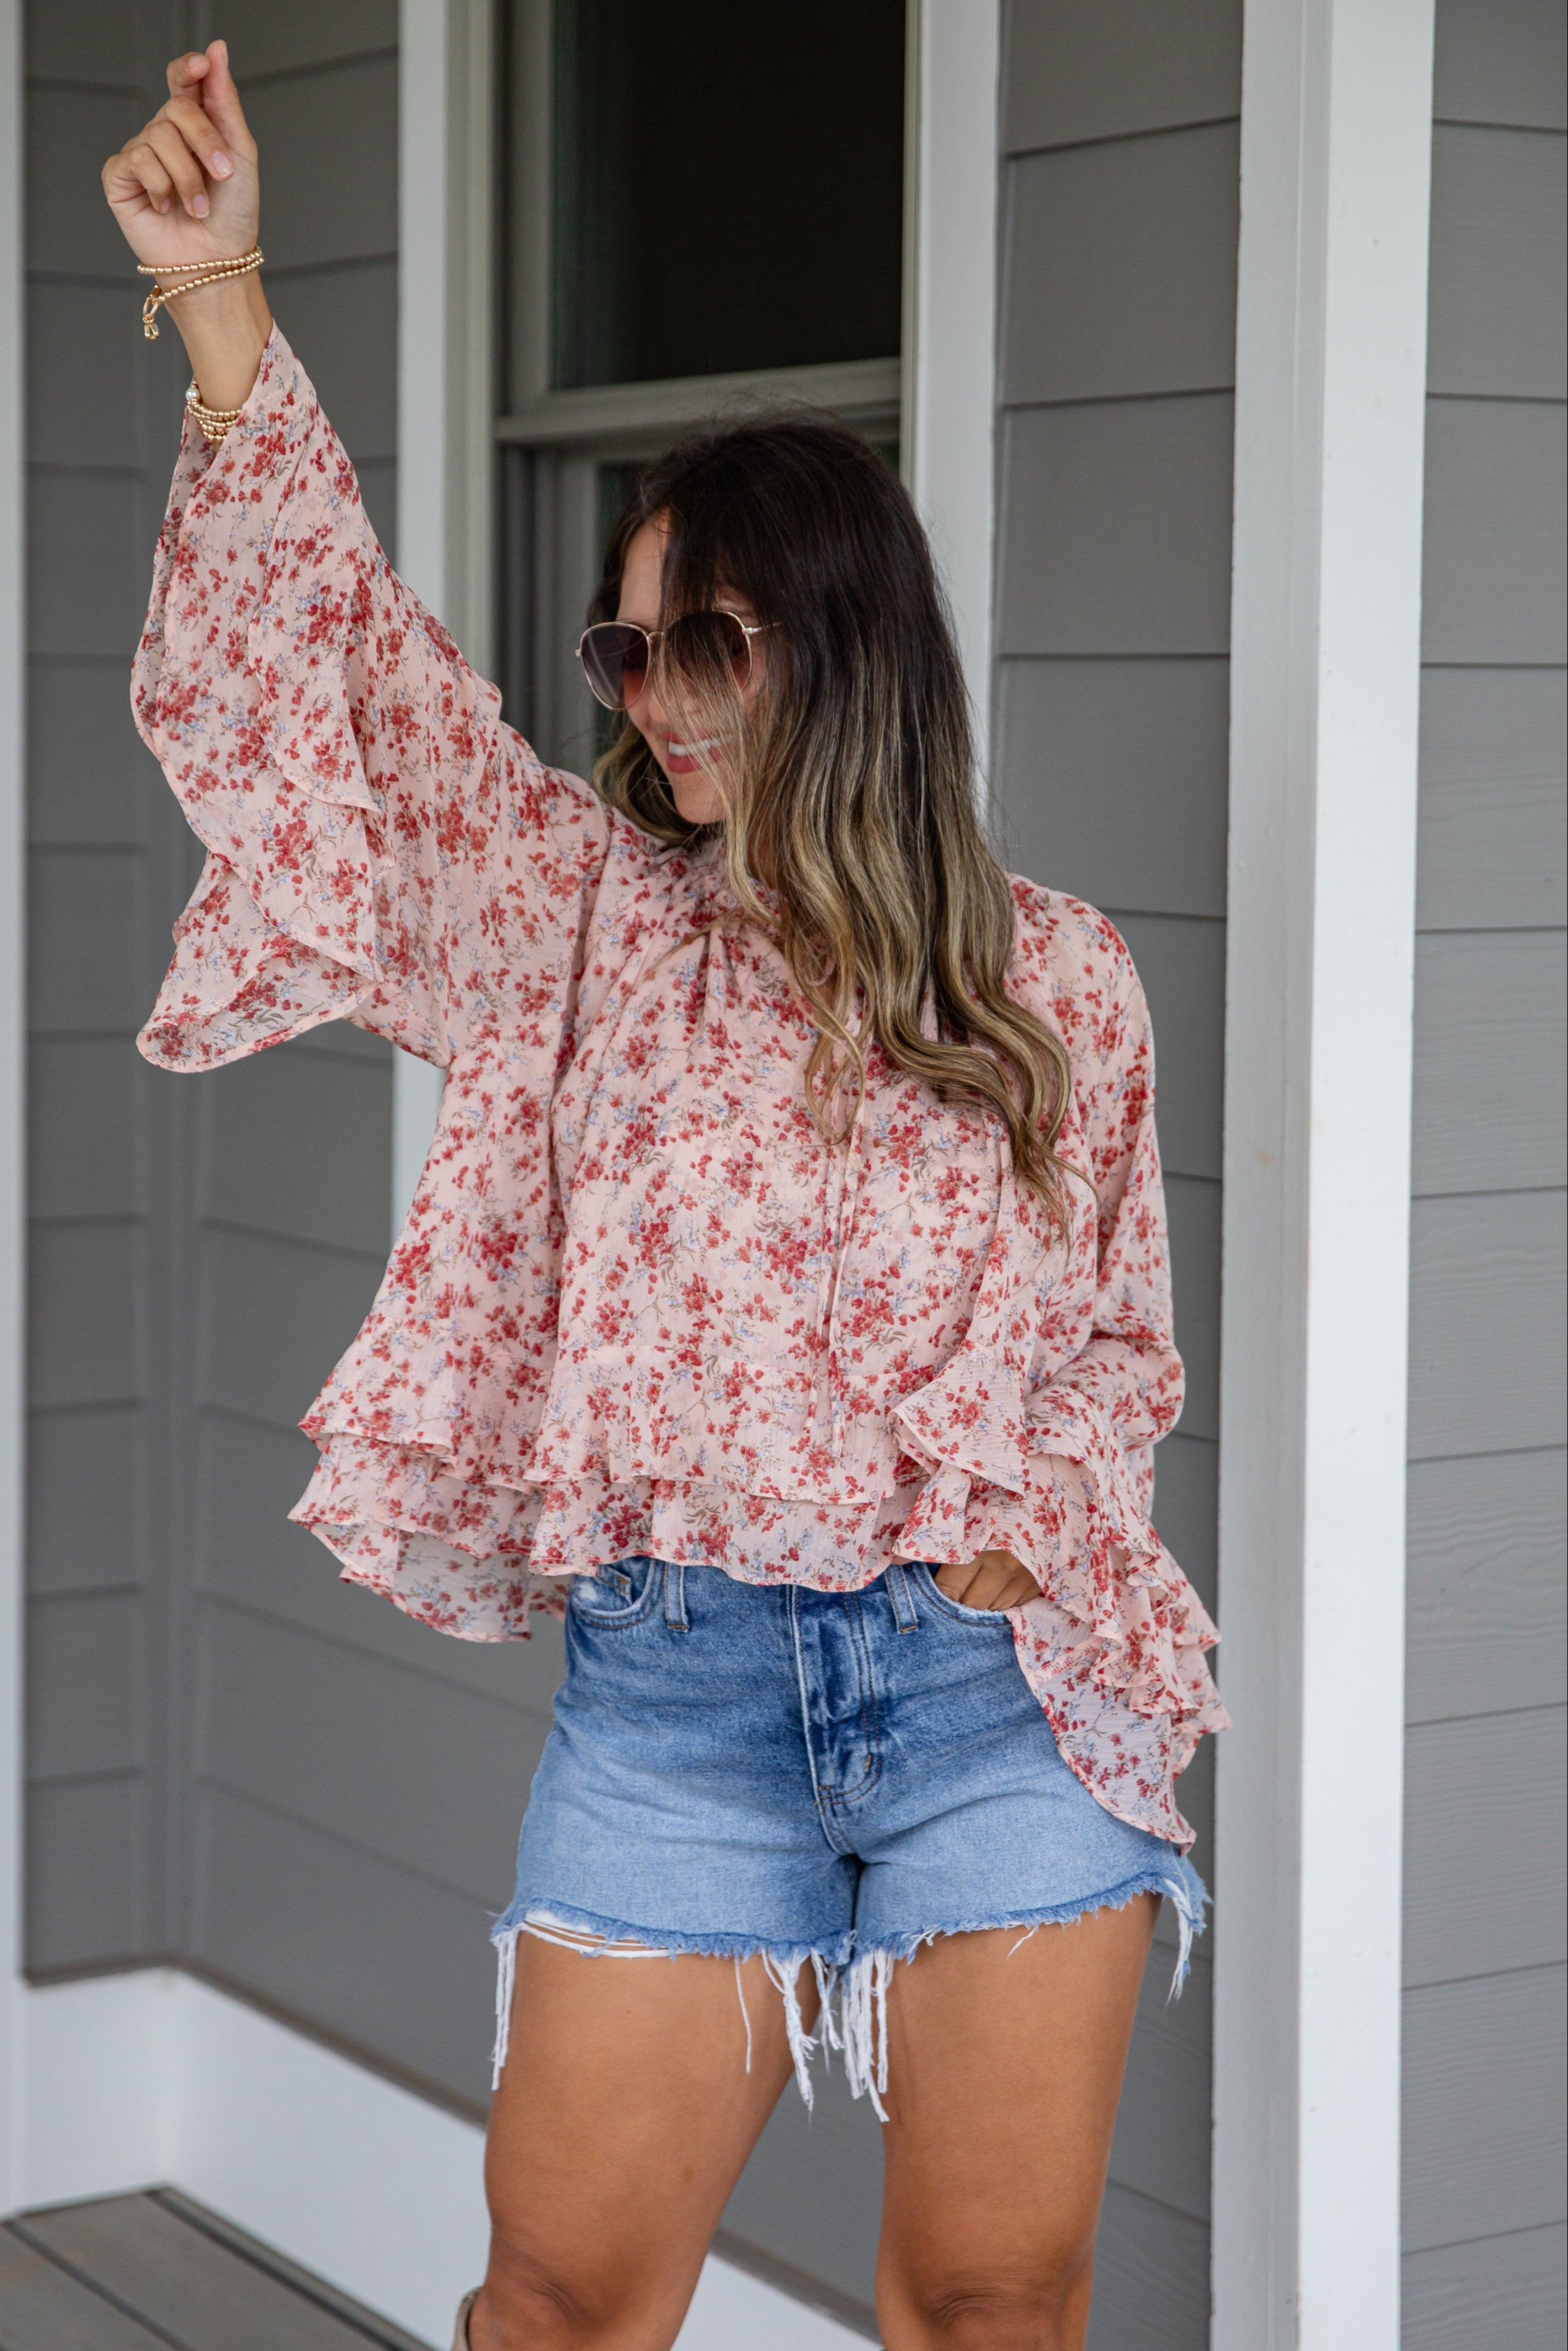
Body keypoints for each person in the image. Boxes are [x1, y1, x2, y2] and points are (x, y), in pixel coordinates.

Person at [103, 43, 1226, 2351]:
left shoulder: (1061, 979)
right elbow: (359, 685)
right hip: (677, 1700)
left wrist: (1021, 1546)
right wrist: (218, 300)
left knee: (993, 2306)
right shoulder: (583, 915)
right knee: (553, 2303)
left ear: (847, 643)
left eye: (705, 639)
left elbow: (1115, 1344)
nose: (655, 698)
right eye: (628, 647)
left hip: (996, 1699)